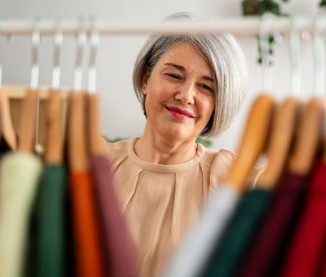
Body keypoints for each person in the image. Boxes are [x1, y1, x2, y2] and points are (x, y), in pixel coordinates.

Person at [104, 13, 262, 277]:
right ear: (146, 79)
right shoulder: (93, 163)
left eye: (206, 87)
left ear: (219, 103)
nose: (186, 95)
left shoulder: (240, 181)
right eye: (175, 76)